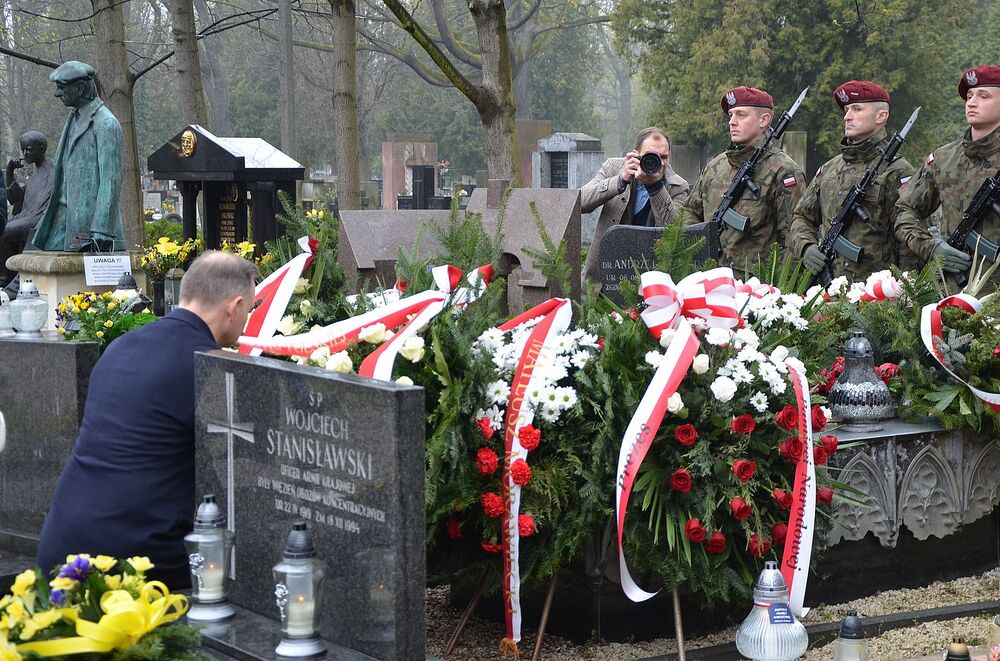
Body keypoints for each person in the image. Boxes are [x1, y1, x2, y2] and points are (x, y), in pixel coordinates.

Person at [36, 251, 258, 586]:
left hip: (61, 549)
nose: (246, 320)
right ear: (234, 306)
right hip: (137, 562)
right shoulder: (208, 365)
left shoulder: (120, 346)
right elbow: (238, 472)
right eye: (248, 310)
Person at [788, 81, 918, 281]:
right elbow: (802, 217)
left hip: (876, 292)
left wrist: (904, 290)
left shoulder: (897, 171)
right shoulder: (829, 169)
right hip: (826, 287)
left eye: (857, 109)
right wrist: (806, 246)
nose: (847, 116)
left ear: (881, 116)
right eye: (846, 110)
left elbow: (910, 239)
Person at [896, 65, 1000, 287]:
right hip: (950, 293)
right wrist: (930, 246)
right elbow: (906, 210)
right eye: (969, 96)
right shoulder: (943, 158)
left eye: (984, 96)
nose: (972, 103)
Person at [685, 86, 806, 270]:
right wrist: (699, 245)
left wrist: (776, 284)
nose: (732, 122)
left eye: (741, 115)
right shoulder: (715, 167)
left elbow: (792, 238)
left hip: (756, 282)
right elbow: (689, 212)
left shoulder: (783, 171)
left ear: (764, 120)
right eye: (731, 115)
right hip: (710, 277)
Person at [31, 60, 125, 253]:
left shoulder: (106, 123)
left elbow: (111, 179)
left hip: (90, 225)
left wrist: (102, 228)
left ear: (80, 88)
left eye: (61, 87)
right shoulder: (74, 117)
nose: (57, 94)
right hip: (64, 215)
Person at [580, 127, 690, 283]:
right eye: (650, 156)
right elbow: (580, 202)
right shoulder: (613, 168)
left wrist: (656, 188)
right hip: (604, 276)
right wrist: (620, 180)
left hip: (652, 278)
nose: (658, 162)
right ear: (635, 154)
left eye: (664, 157)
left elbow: (674, 234)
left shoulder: (678, 186)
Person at [1, 131, 55, 288]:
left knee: (5, 230)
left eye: (29, 149)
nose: (25, 154)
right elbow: (16, 199)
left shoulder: (52, 170)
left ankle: (4, 279)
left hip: (40, 219)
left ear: (42, 148)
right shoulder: (35, 170)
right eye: (23, 149)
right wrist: (10, 172)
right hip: (26, 216)